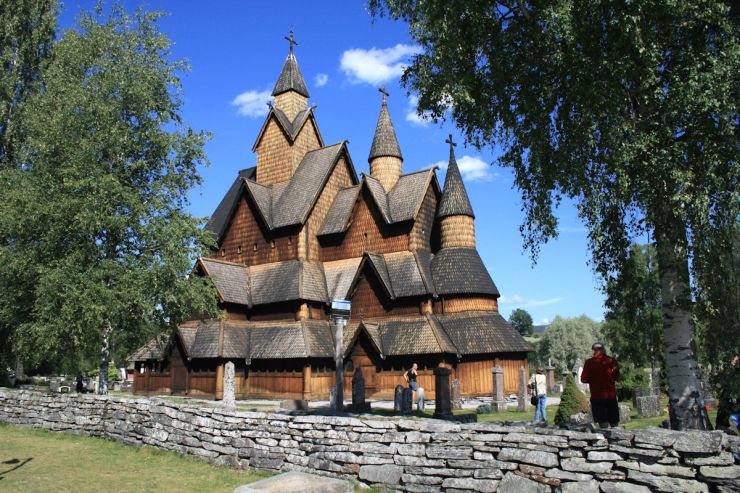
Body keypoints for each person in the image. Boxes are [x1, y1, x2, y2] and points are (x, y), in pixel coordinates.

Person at [581, 342, 620, 428]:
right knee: (615, 423)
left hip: (597, 397)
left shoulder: (589, 362)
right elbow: (617, 377)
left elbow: (583, 379)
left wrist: (593, 380)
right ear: (603, 349)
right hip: (611, 396)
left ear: (594, 350)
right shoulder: (612, 361)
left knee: (603, 424)